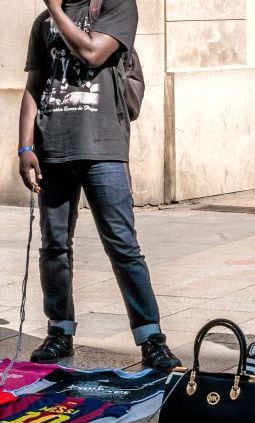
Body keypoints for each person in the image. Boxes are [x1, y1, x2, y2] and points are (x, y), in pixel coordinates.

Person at [18, 0, 181, 371]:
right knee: (54, 246)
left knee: (123, 244)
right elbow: (34, 83)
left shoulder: (117, 6)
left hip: (103, 145)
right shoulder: (42, 23)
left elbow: (93, 53)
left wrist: (55, 10)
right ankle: (59, 330)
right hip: (52, 148)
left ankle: (151, 338)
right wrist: (25, 146)